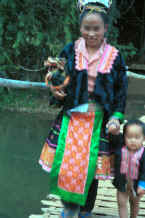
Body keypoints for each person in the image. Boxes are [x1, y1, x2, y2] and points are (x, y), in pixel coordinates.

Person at [39, 0, 128, 217]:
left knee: (93, 172)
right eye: (86, 28)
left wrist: (116, 117)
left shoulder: (115, 57)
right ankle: (68, 210)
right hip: (72, 120)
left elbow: (120, 91)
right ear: (80, 28)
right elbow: (60, 78)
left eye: (96, 28)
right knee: (67, 167)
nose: (91, 33)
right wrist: (55, 87)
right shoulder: (70, 51)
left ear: (105, 28)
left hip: (99, 122)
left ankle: (85, 212)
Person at [113, 120, 145, 218]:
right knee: (121, 204)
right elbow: (114, 139)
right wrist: (114, 131)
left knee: (134, 203)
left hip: (136, 185)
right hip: (122, 183)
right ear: (124, 137)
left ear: (144, 138)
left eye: (137, 137)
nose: (133, 140)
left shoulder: (143, 154)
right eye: (129, 137)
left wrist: (142, 184)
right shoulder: (120, 148)